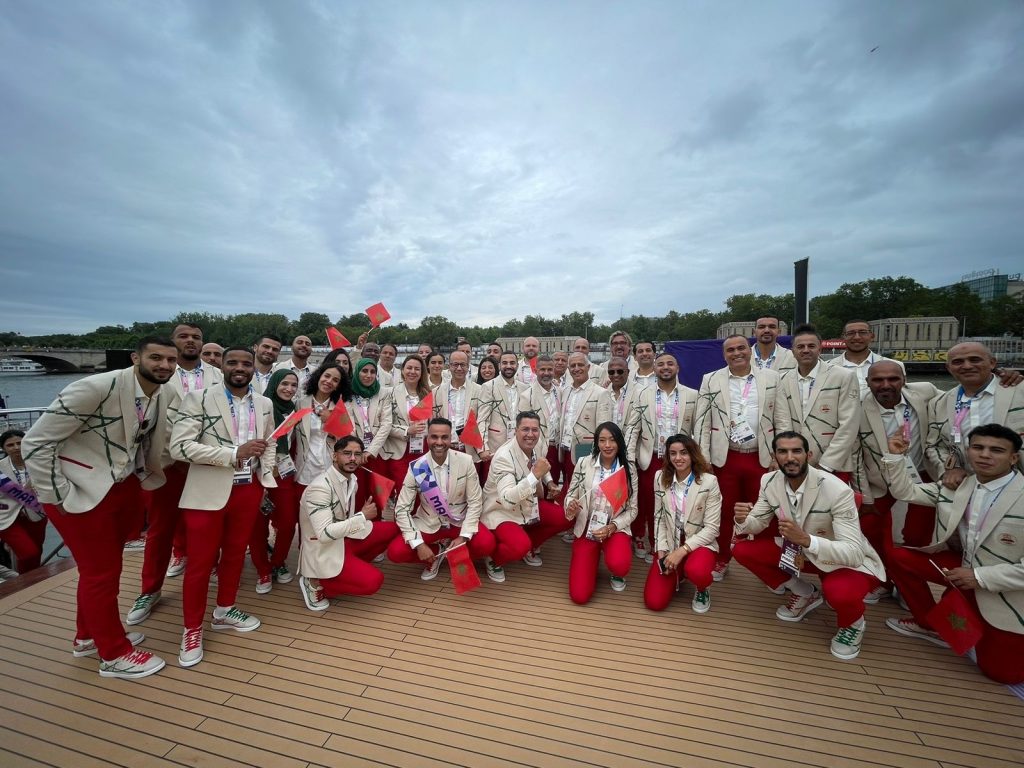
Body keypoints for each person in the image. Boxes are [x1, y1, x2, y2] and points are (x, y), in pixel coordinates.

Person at [22, 336, 178, 679]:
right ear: (135, 357)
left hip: (118, 489)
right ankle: (114, 654)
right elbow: (36, 442)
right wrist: (58, 495)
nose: (164, 365)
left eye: (170, 360)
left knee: (103, 571)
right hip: (80, 493)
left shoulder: (161, 394)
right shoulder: (94, 387)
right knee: (101, 575)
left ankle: (88, 636)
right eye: (156, 358)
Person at [882, 424, 1024, 684]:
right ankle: (929, 625)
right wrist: (896, 457)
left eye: (997, 450)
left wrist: (979, 577)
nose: (985, 455)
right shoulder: (961, 485)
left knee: (1002, 674)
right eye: (978, 448)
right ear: (968, 451)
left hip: (1005, 588)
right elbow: (906, 492)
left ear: (1014, 457)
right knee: (899, 556)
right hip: (962, 569)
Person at [732, 432, 885, 661]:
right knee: (743, 550)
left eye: (796, 451)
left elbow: (853, 553)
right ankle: (805, 593)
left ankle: (854, 624)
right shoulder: (769, 481)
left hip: (842, 561)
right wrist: (743, 521)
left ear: (809, 455)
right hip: (800, 553)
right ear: (775, 456)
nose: (789, 457)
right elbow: (758, 523)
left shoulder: (837, 490)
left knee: (839, 593)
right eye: (782, 451)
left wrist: (806, 540)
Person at [171, 346, 277, 668]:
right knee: (201, 563)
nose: (240, 368)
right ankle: (192, 629)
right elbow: (179, 447)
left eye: (246, 363)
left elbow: (269, 442)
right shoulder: (199, 398)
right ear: (221, 367)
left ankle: (224, 609)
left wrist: (266, 480)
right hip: (207, 493)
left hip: (247, 489)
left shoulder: (264, 402)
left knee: (234, 554)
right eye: (233, 362)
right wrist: (233, 454)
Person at [127, 324, 223, 623]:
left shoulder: (216, 375)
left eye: (196, 336)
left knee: (208, 524)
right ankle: (150, 590)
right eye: (184, 337)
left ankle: (208, 573)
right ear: (173, 342)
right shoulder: (157, 377)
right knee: (160, 530)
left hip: (207, 464)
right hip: (167, 463)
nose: (191, 341)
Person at [695, 334, 789, 581]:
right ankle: (722, 557)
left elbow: (781, 418)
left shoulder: (771, 378)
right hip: (726, 458)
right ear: (724, 354)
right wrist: (704, 459)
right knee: (725, 511)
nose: (736, 353)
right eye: (730, 350)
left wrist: (781, 454)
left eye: (741, 348)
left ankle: (765, 562)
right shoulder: (711, 379)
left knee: (765, 511)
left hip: (762, 457)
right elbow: (703, 422)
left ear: (750, 350)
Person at [853, 361, 940, 600]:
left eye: (893, 379)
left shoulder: (926, 392)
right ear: (868, 382)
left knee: (916, 538)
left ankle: (909, 584)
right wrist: (866, 497)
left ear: (904, 379)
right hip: (879, 478)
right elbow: (855, 454)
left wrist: (1004, 380)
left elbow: (965, 396)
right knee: (868, 529)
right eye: (878, 380)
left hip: (921, 474)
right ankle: (883, 577)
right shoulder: (856, 406)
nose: (885, 385)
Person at [297, 436, 399, 611]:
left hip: (344, 539)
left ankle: (349, 569)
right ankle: (316, 582)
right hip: (324, 549)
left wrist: (360, 518)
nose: (353, 458)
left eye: (357, 454)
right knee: (373, 581)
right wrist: (361, 517)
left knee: (393, 529)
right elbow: (324, 534)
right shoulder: (319, 487)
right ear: (334, 456)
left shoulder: (353, 479)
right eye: (347, 453)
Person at [388, 418, 494, 579]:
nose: (439, 442)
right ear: (427, 438)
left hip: (458, 521)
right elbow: (402, 509)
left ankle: (455, 550)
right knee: (396, 552)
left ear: (451, 438)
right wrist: (419, 545)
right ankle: (438, 552)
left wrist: (463, 536)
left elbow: (475, 502)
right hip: (429, 523)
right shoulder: (417, 467)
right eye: (434, 437)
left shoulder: (465, 461)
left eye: (444, 437)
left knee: (487, 544)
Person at [624, 353, 698, 563]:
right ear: (655, 369)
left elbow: (698, 429)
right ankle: (640, 537)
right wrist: (630, 458)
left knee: (674, 503)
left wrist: (700, 459)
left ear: (677, 367)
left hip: (679, 459)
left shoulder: (692, 395)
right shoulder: (642, 394)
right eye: (661, 364)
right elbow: (633, 427)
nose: (665, 367)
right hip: (651, 456)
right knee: (646, 501)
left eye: (670, 364)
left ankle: (663, 545)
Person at [480, 411, 568, 582]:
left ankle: (531, 544)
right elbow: (506, 500)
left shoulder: (538, 443)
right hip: (502, 511)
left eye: (535, 430)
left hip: (528, 504)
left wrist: (549, 483)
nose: (530, 434)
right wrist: (535, 476)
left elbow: (541, 465)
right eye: (525, 429)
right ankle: (494, 559)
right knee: (519, 546)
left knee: (566, 517)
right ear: (515, 431)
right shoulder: (503, 457)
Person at [926, 342, 1024, 489]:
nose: (966, 366)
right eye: (958, 362)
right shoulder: (939, 403)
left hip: (1017, 483)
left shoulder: (1020, 390)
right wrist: (950, 468)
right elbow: (935, 445)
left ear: (992, 363)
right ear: (949, 368)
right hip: (966, 486)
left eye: (975, 359)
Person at [644, 435, 721, 614]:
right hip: (671, 541)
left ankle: (702, 588)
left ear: (692, 454)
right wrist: (661, 550)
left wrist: (681, 551)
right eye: (673, 453)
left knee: (697, 570)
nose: (678, 458)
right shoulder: (659, 477)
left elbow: (712, 529)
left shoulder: (709, 482)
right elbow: (659, 517)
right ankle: (681, 571)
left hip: (698, 543)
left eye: (683, 453)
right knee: (654, 602)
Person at [563, 422, 637, 603]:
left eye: (612, 440)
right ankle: (591, 562)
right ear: (596, 443)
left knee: (619, 565)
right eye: (602, 440)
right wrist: (571, 505)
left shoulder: (628, 469)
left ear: (619, 442)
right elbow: (570, 494)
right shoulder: (583, 463)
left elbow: (633, 510)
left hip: (613, 526)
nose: (607, 445)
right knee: (579, 596)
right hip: (588, 526)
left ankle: (615, 572)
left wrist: (613, 526)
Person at [778, 324, 861, 482]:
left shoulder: (843, 376)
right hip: (794, 463)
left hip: (834, 463)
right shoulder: (782, 379)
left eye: (811, 346)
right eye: (800, 346)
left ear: (820, 349)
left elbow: (849, 425)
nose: (806, 350)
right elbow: (782, 422)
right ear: (793, 351)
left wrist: (826, 465)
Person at [249, 370, 300, 594]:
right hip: (260, 473)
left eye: (293, 385)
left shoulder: (294, 410)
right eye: (284, 384)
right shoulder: (262, 408)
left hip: (285, 473)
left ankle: (278, 562)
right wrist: (266, 470)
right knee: (257, 526)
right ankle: (262, 570)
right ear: (275, 384)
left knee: (288, 522)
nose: (289, 389)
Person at [557, 353, 613, 504]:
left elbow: (604, 429)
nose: (576, 369)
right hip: (566, 448)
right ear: (568, 369)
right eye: (573, 366)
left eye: (580, 365)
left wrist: (598, 454)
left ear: (588, 367)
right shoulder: (565, 391)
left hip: (586, 449)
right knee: (570, 488)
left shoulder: (600, 393)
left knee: (585, 491)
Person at [382, 355, 432, 495]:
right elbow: (385, 425)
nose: (412, 371)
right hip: (400, 449)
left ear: (422, 373)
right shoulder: (389, 393)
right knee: (403, 491)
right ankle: (402, 517)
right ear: (402, 370)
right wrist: (407, 430)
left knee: (423, 491)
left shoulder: (428, 394)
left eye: (417, 369)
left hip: (423, 449)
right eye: (409, 368)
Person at [0, 429, 47, 574]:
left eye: (19, 443)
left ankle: (33, 583)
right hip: (7, 517)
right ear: (3, 448)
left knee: (37, 551)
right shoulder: (1, 467)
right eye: (10, 445)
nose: (16, 447)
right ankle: (24, 584)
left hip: (36, 513)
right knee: (28, 553)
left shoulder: (38, 462)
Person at [478, 352, 529, 469]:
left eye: (512, 363)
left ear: (517, 365)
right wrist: (483, 448)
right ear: (499, 365)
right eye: (505, 363)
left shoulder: (525, 388)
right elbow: (482, 419)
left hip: (519, 446)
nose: (508, 366)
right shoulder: (489, 387)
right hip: (495, 447)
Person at [518, 355, 562, 484]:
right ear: (535, 371)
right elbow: (524, 429)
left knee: (556, 485)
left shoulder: (560, 391)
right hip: (539, 448)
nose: (546, 373)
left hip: (558, 448)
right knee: (540, 488)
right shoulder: (527, 396)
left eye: (550, 369)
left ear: (554, 371)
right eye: (543, 369)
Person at [347, 358, 393, 479]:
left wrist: (371, 450)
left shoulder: (383, 393)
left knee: (378, 492)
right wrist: (357, 451)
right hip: (355, 454)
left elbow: (386, 424)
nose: (369, 375)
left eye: (372, 372)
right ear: (357, 372)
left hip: (378, 452)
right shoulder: (348, 395)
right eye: (364, 371)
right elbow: (349, 425)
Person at [835, 320, 904, 399]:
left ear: (872, 336)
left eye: (863, 332)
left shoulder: (895, 366)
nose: (857, 337)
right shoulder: (827, 367)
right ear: (843, 338)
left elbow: (901, 397)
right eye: (851, 333)